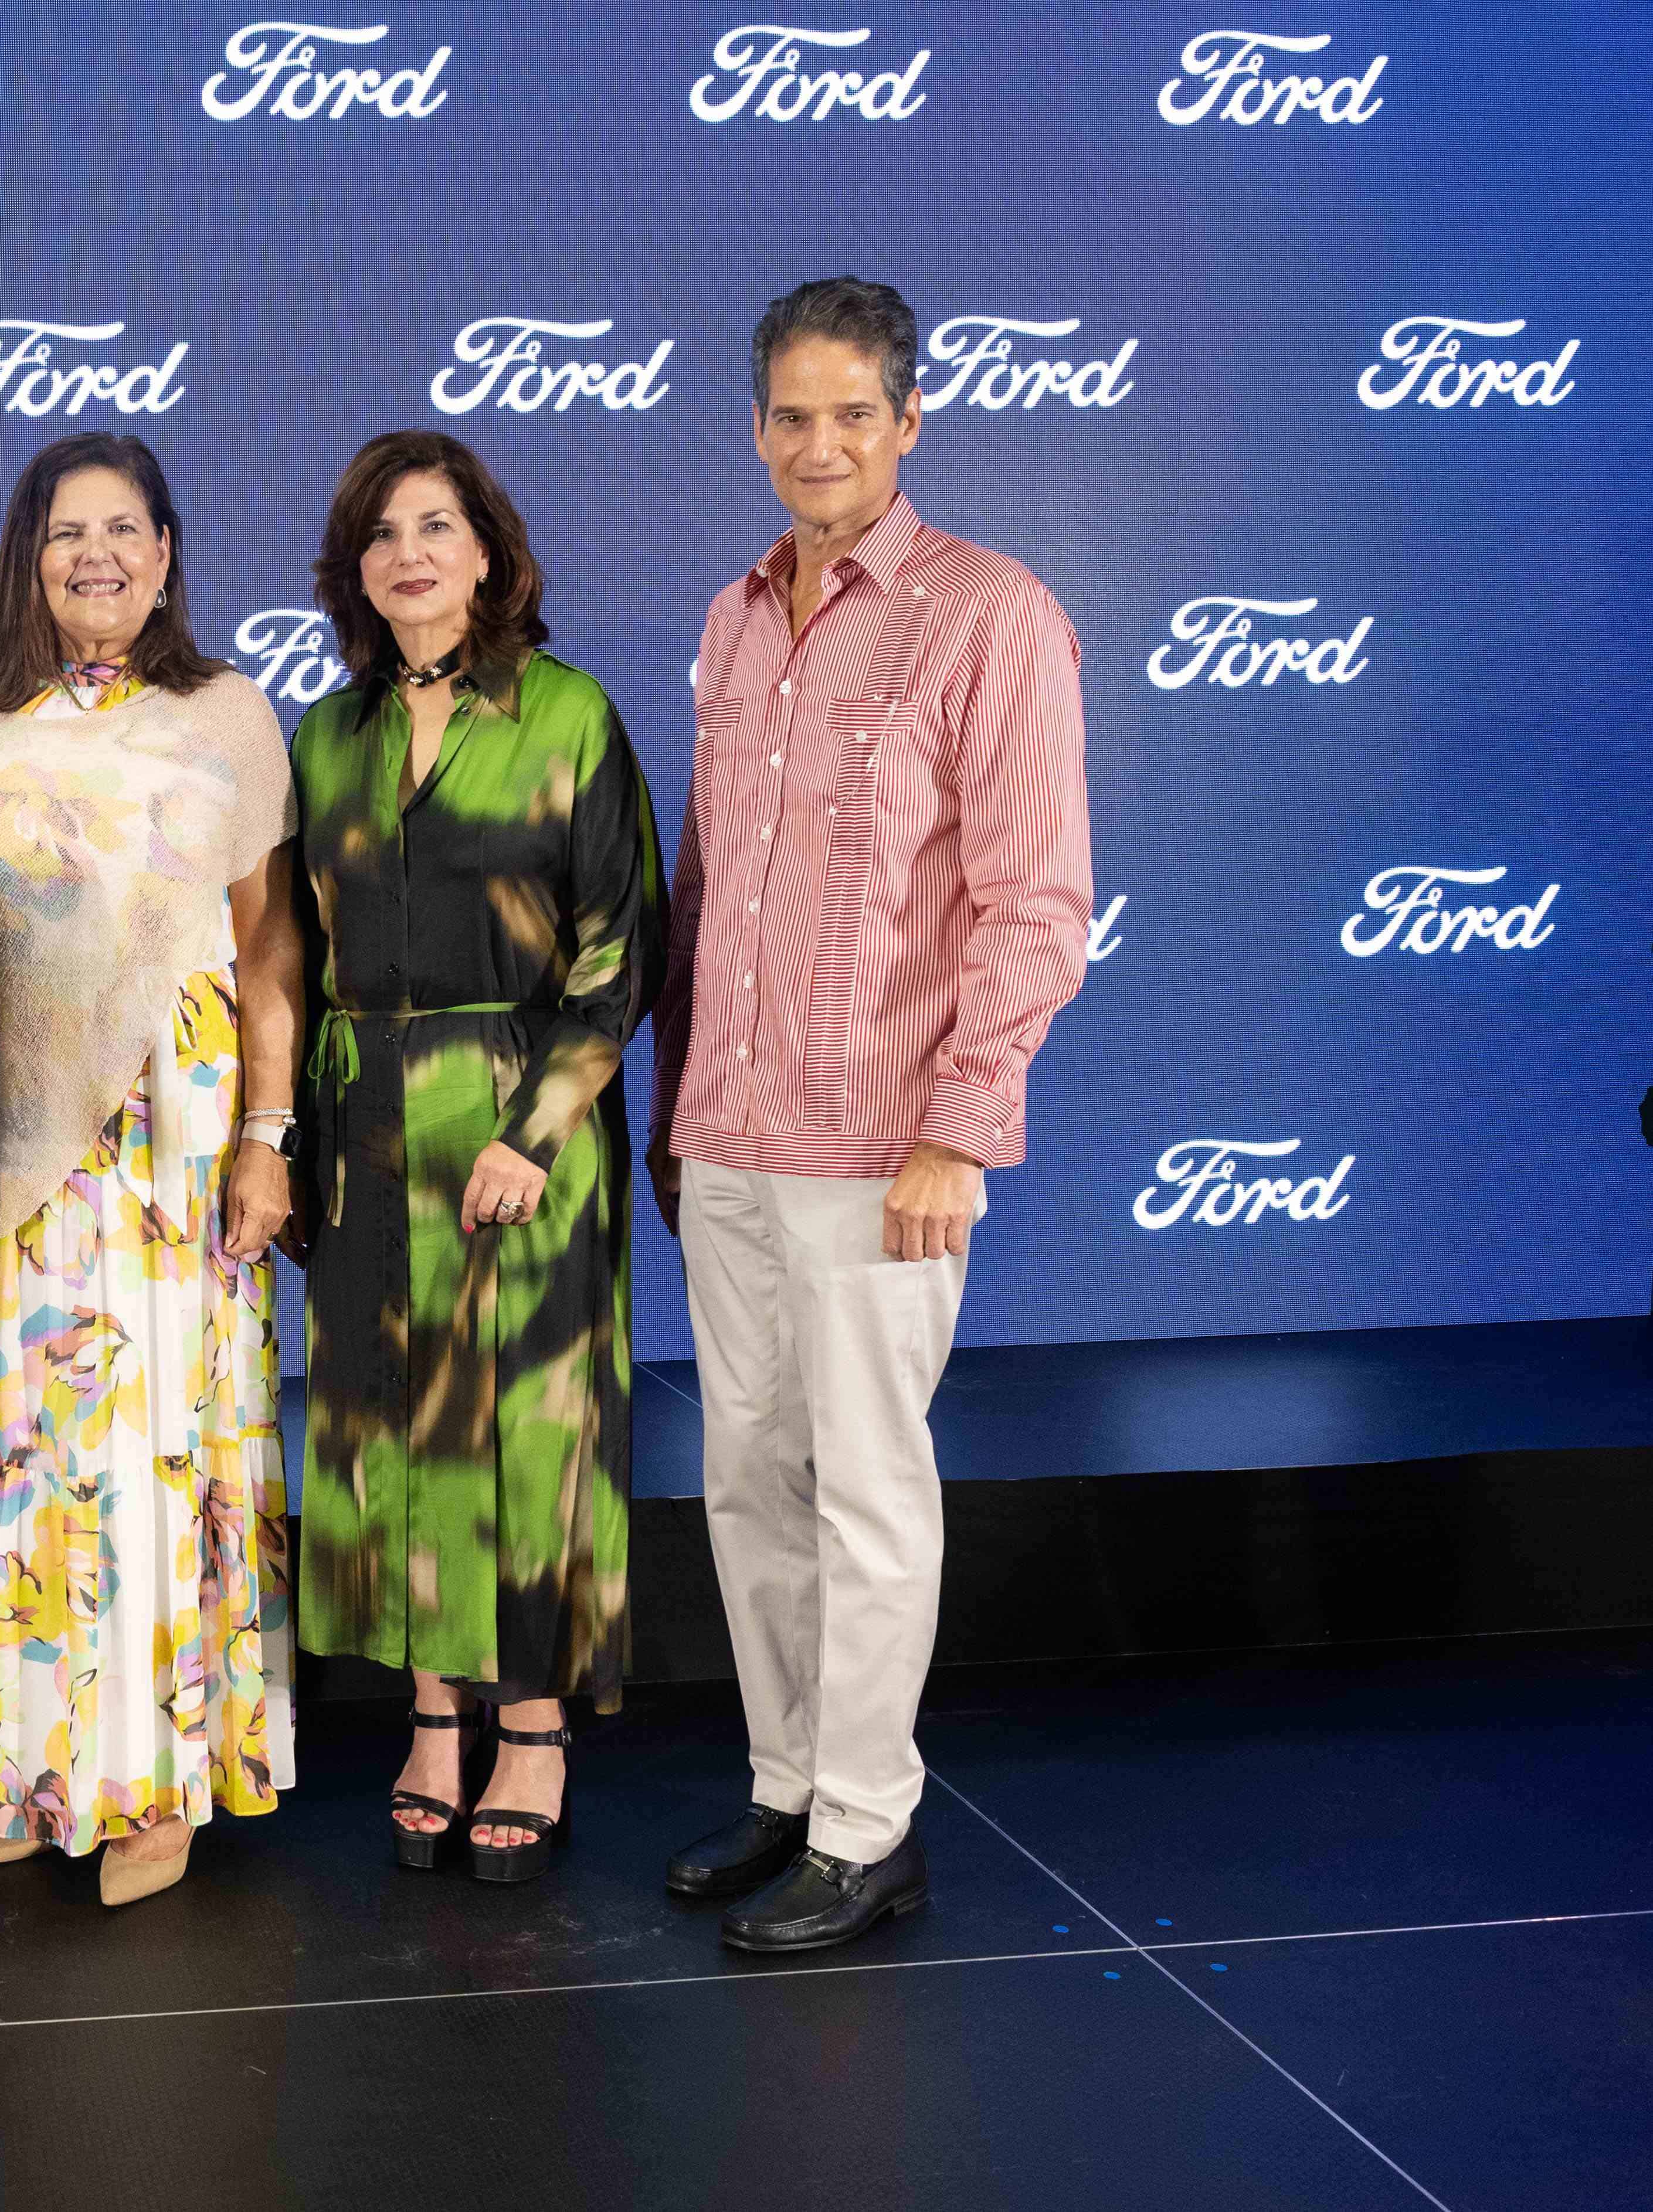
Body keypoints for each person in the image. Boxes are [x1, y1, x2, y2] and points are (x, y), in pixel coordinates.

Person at [650, 278, 1091, 1952]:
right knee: (748, 1475)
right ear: (755, 426)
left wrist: (958, 1129)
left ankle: (868, 1821)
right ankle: (786, 1784)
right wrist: (674, 1117)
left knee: (867, 1487)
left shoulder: (988, 614)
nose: (817, 443)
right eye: (788, 415)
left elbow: (1033, 898)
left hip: (885, 1151)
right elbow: (706, 897)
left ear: (908, 421)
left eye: (851, 413)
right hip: (730, 1135)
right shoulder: (731, 615)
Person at [0, 432, 303, 1909]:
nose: (98, 557)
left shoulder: (229, 719)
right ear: (26, 554)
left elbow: (269, 948)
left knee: (153, 1450)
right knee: (16, 1443)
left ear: (168, 551)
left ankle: (156, 1781)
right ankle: (26, 1764)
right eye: (67, 532)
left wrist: (265, 1137)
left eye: (125, 529)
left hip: (177, 1137)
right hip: (7, 1144)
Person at [287, 431, 667, 1881]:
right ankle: (429, 1717)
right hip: (362, 1133)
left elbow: (620, 945)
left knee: (526, 1431)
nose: (409, 554)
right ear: (355, 571)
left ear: (491, 555)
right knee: (388, 1429)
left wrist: (538, 1124)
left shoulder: (567, 714)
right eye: (381, 533)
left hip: (524, 1127)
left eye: (437, 527)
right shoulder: (326, 736)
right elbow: (293, 955)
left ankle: (533, 1729)